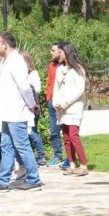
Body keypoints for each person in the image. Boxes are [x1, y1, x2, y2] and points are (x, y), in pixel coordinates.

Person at [0, 31, 43, 192]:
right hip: (7, 112)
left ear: (5, 45)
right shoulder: (7, 61)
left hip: (16, 112)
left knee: (22, 146)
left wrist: (31, 104)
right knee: (6, 146)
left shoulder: (16, 61)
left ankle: (34, 179)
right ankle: (2, 180)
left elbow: (24, 87)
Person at [53, 41, 89, 176]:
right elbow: (56, 88)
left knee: (73, 135)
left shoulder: (78, 69)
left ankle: (83, 165)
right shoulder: (60, 69)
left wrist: (65, 103)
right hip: (61, 109)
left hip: (74, 107)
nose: (58, 54)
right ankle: (72, 164)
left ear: (67, 52)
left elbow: (79, 90)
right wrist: (56, 103)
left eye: (61, 52)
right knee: (66, 137)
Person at [22, 51, 47, 166]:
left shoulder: (33, 74)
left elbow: (37, 89)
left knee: (31, 131)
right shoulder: (22, 74)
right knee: (28, 132)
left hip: (33, 107)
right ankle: (31, 155)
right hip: (24, 107)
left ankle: (41, 155)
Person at [46, 42, 68, 168]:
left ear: (60, 51)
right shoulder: (51, 66)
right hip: (52, 103)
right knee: (54, 131)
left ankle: (70, 158)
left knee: (67, 131)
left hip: (63, 104)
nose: (51, 53)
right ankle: (58, 155)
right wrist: (49, 98)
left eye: (53, 50)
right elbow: (50, 83)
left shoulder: (67, 66)